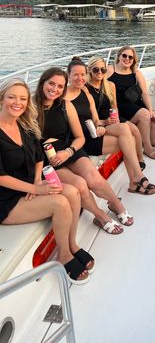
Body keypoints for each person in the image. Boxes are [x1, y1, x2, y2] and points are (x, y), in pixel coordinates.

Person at [0, 78, 91, 284]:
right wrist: (34, 188)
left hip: (28, 185)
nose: (18, 102)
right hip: (6, 198)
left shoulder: (24, 125)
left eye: (23, 98)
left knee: (72, 192)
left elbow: (40, 156)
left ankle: (72, 244)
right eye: (12, 97)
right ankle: (64, 255)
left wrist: (36, 181)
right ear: (1, 99)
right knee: (60, 203)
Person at [35, 67, 136, 237]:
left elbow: (80, 137)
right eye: (51, 83)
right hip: (46, 158)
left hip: (69, 148)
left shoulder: (65, 105)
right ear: (42, 83)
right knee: (80, 185)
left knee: (94, 180)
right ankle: (100, 216)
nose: (55, 89)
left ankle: (115, 204)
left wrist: (68, 151)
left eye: (60, 86)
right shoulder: (30, 108)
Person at [65, 58, 155, 195]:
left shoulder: (88, 93)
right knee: (128, 135)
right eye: (76, 75)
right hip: (85, 137)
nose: (80, 78)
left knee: (128, 133)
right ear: (69, 76)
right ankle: (138, 176)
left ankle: (135, 178)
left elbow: (96, 119)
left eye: (103, 70)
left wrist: (104, 123)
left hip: (97, 128)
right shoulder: (79, 92)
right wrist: (101, 124)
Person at [86, 55, 145, 169]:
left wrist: (115, 117)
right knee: (127, 132)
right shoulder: (86, 88)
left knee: (135, 131)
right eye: (96, 69)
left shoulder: (110, 85)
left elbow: (114, 106)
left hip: (111, 118)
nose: (100, 72)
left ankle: (140, 159)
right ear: (90, 70)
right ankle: (134, 164)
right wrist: (106, 121)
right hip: (99, 121)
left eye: (103, 70)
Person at [108, 46, 155, 160]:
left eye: (130, 57)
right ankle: (147, 148)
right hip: (119, 106)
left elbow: (144, 93)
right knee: (144, 114)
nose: (127, 59)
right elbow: (95, 79)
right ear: (119, 57)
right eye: (124, 55)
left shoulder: (136, 73)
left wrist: (151, 110)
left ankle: (153, 140)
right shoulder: (111, 70)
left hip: (135, 103)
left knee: (154, 117)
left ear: (133, 60)